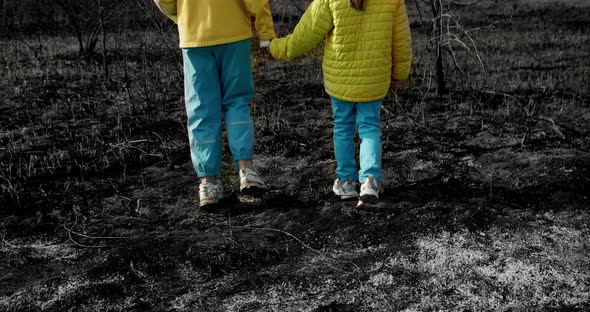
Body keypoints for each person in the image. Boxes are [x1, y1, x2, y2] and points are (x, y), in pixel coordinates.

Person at [268, 0, 412, 207]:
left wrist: (277, 48)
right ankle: (370, 181)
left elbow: (306, 35)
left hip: (340, 78)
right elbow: (401, 38)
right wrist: (400, 72)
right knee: (370, 127)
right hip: (374, 77)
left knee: (343, 127)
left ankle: (346, 181)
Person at [153, 0, 276, 209]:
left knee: (201, 110)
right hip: (234, 32)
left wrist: (182, 16)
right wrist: (266, 32)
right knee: (237, 102)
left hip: (194, 35)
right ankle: (247, 171)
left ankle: (207, 185)